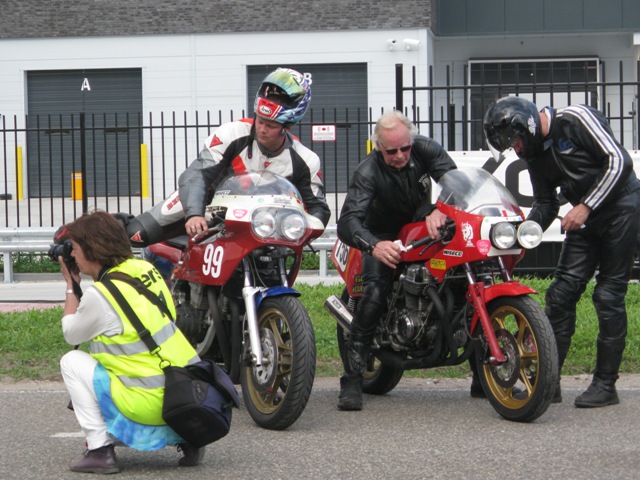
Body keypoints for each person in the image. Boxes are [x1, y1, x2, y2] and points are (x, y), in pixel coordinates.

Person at [483, 96, 640, 408]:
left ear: (525, 126)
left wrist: (586, 206)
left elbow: (619, 161)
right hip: (585, 219)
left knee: (608, 296)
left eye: (514, 141)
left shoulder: (574, 118)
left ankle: (605, 385)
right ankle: (548, 384)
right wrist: (522, 237)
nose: (514, 149)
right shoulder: (534, 152)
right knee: (560, 295)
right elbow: (545, 202)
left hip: (623, 209)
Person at [57, 211, 203, 474]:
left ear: (92, 250)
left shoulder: (100, 296)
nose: (73, 256)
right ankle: (186, 437)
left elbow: (71, 334)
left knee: (71, 361)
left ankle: (99, 450)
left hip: (146, 405)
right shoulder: (146, 270)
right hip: (184, 395)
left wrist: (71, 285)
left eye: (75, 249)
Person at [120, 67, 330, 247]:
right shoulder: (231, 133)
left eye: (271, 125)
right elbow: (196, 175)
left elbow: (318, 208)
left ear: (288, 126)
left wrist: (300, 231)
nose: (262, 129)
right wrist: (194, 214)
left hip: (259, 222)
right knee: (137, 234)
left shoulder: (305, 160)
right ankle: (108, 227)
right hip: (207, 205)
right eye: (260, 120)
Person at [335, 110, 457, 410]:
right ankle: (351, 378)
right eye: (392, 151)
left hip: (421, 226)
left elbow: (457, 181)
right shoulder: (368, 172)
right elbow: (348, 221)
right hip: (383, 235)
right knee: (375, 293)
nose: (401, 155)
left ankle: (483, 375)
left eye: (405, 148)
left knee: (460, 281)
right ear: (378, 147)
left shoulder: (426, 149)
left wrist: (441, 207)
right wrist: (375, 245)